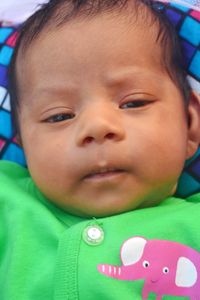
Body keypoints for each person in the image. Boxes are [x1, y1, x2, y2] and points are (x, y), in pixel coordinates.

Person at [1, 0, 200, 299]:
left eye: (134, 102)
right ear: (23, 143)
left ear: (190, 126)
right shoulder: (8, 205)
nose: (97, 126)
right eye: (59, 116)